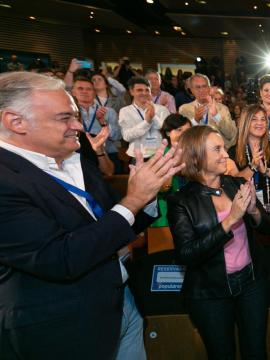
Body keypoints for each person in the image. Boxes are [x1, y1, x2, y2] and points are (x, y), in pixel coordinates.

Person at [0, 71, 184, 359]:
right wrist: (133, 199)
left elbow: (116, 218)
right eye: (64, 118)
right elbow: (60, 258)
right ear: (16, 122)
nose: (77, 125)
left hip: (122, 301)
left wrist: (146, 196)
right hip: (67, 326)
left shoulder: (74, 157)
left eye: (75, 115)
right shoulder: (5, 180)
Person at [167, 126, 270, 359]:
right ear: (197, 156)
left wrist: (255, 212)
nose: (225, 154)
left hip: (251, 283)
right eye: (217, 149)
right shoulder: (181, 201)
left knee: (256, 352)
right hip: (210, 293)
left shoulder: (235, 184)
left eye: (224, 148)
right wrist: (231, 220)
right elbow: (186, 253)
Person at [228, 104, 270, 219]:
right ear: (245, 123)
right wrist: (252, 167)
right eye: (254, 119)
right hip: (246, 210)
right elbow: (232, 185)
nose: (260, 123)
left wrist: (266, 171)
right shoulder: (233, 152)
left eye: (263, 119)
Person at [71, 76, 121, 175]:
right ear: (73, 92)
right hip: (77, 156)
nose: (84, 91)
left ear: (94, 92)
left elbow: (117, 136)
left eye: (89, 89)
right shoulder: (69, 113)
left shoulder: (108, 111)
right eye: (80, 88)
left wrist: (103, 122)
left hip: (107, 155)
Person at [151, 113, 192, 227]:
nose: (184, 134)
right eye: (179, 130)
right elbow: (160, 191)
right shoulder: (159, 157)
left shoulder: (195, 154)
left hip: (192, 209)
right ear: (168, 132)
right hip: (167, 210)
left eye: (187, 131)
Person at [178, 73, 237, 149]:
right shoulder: (184, 109)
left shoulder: (222, 108)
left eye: (204, 86)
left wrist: (216, 116)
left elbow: (231, 134)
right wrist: (195, 120)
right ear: (191, 90)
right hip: (196, 154)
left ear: (209, 88)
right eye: (198, 87)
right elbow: (182, 136)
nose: (201, 90)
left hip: (220, 153)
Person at [119, 76, 170, 161]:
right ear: (132, 92)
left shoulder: (161, 109)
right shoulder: (125, 111)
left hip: (159, 155)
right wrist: (146, 122)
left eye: (147, 90)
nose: (144, 93)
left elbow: (167, 130)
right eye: (139, 90)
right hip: (138, 156)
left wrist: (153, 116)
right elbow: (127, 136)